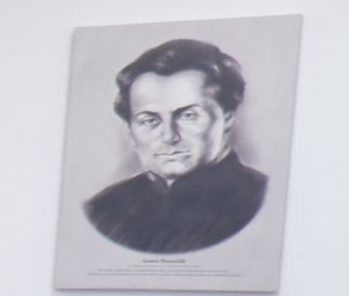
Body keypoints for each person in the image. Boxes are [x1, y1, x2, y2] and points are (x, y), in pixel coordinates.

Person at [84, 38, 269, 256]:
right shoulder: (103, 209)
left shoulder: (260, 200)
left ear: (227, 118)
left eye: (188, 115)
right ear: (130, 130)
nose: (169, 136)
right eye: (150, 120)